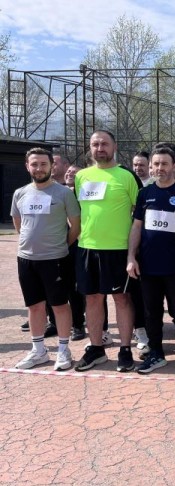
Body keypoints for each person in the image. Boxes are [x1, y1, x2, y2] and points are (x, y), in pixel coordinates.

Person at [126, 147, 175, 374]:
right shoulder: (144, 193)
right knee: (151, 312)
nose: (160, 168)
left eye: (164, 164)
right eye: (155, 164)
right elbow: (136, 227)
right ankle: (156, 353)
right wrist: (131, 257)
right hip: (148, 267)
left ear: (174, 165)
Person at [74, 130, 140, 372]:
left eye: (104, 144)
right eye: (95, 144)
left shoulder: (127, 176)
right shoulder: (81, 176)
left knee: (121, 299)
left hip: (117, 250)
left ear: (114, 147)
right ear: (90, 148)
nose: (100, 148)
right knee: (92, 299)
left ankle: (125, 349)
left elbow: (139, 216)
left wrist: (133, 252)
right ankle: (96, 348)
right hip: (87, 249)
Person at [12, 148, 81, 371]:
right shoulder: (20, 193)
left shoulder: (64, 193)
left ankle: (63, 349)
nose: (39, 168)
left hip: (56, 259)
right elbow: (19, 225)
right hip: (26, 259)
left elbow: (76, 227)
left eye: (43, 164)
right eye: (34, 164)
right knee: (34, 306)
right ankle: (39, 350)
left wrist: (60, 245)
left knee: (59, 305)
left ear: (52, 166)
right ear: (27, 167)